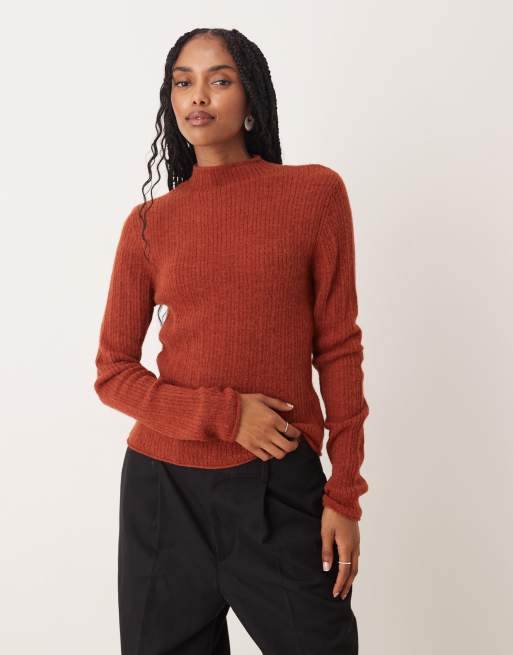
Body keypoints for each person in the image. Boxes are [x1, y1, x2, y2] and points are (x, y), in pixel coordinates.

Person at [94, 27, 370, 655]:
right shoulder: (148, 225)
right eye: (183, 82)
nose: (198, 96)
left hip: (278, 484)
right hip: (162, 492)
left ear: (251, 99)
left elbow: (339, 349)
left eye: (219, 80)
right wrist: (225, 415)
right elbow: (113, 371)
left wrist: (345, 495)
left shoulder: (314, 194)